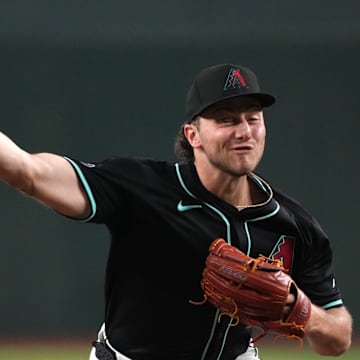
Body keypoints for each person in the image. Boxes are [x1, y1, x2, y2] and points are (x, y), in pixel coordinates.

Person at [0, 63, 353, 360]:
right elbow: (27, 172)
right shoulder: (141, 187)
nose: (244, 131)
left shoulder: (294, 225)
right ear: (193, 135)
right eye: (226, 120)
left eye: (253, 118)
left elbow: (338, 339)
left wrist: (301, 313)